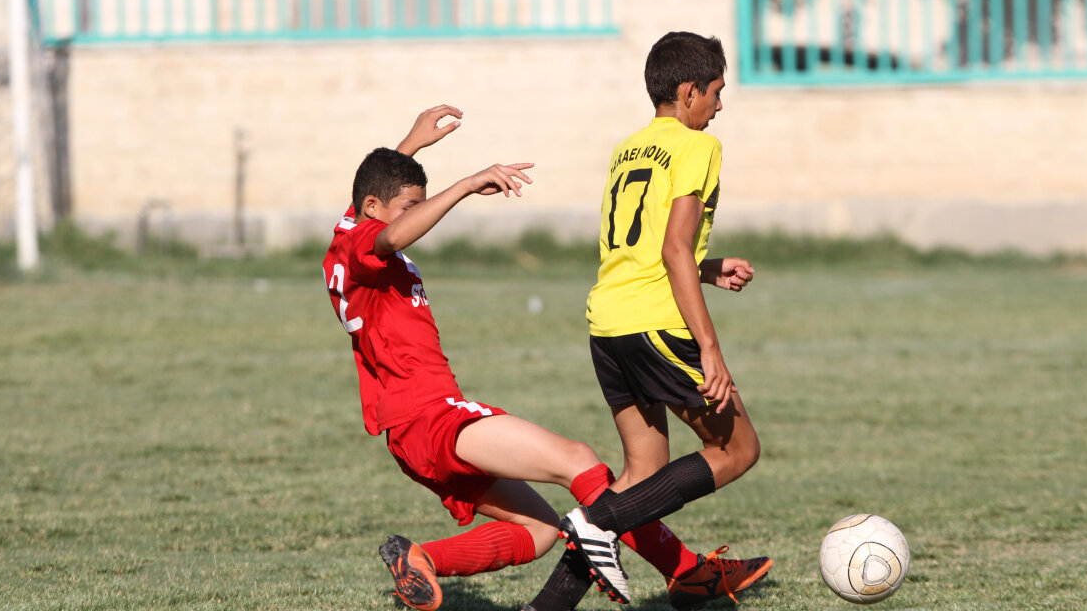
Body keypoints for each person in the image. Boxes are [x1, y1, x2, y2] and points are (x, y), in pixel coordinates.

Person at [323, 105, 762, 611]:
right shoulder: (368, 244)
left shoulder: (345, 236)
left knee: (539, 531)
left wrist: (411, 144)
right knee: (579, 462)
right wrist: (465, 185)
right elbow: (391, 233)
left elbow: (375, 199)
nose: (416, 216)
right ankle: (687, 572)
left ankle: (420, 560)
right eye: (409, 206)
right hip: (431, 416)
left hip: (410, 432)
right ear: (373, 207)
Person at [525, 32, 768, 610]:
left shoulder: (628, 149)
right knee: (737, 449)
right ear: (688, 92)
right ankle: (595, 521)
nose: (719, 105)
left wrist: (707, 269)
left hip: (608, 323)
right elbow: (673, 248)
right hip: (657, 324)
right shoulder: (698, 147)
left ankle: (546, 606)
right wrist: (710, 348)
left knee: (643, 471)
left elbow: (645, 249)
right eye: (716, 92)